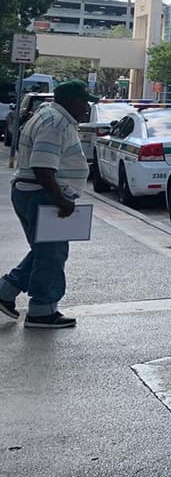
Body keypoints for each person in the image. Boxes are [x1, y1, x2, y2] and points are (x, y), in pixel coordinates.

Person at [1, 80, 95, 329]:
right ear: (71, 101)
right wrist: (61, 200)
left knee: (45, 251)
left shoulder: (50, 116)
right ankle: (42, 311)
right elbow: (42, 166)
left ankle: (6, 291)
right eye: (85, 102)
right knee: (51, 255)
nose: (87, 108)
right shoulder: (55, 123)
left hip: (35, 194)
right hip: (41, 195)